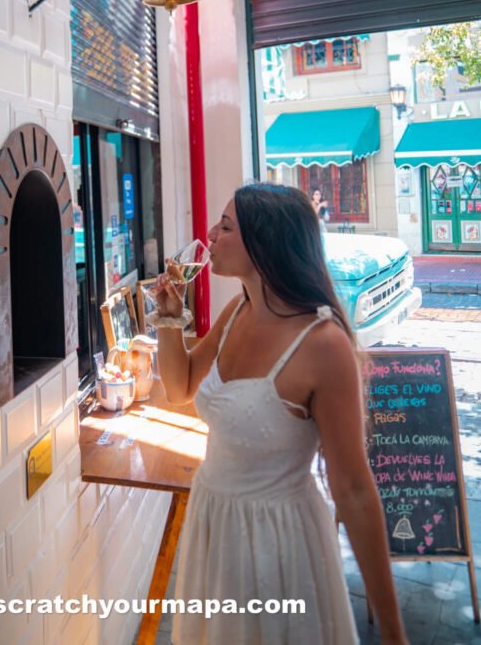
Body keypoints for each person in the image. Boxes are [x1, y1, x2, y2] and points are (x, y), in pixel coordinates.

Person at [152, 183, 409, 645]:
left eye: (226, 226)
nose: (210, 232)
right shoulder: (238, 311)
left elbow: (352, 490)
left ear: (265, 244)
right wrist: (171, 319)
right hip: (215, 523)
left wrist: (393, 633)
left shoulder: (322, 344)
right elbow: (180, 388)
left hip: (278, 541)